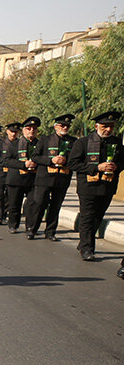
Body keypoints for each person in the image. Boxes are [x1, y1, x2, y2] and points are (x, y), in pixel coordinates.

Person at [67, 110, 123, 262]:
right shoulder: (83, 142)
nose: (108, 129)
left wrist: (116, 166)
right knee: (87, 217)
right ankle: (87, 249)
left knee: (98, 217)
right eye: (105, 126)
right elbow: (73, 164)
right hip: (88, 187)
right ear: (96, 126)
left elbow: (122, 161)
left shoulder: (117, 142)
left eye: (111, 126)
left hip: (107, 186)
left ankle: (83, 242)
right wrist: (97, 167)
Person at [26, 114, 75, 241]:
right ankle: (32, 229)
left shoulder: (73, 141)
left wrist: (66, 160)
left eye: (67, 126)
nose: (65, 127)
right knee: (39, 204)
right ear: (55, 126)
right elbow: (35, 157)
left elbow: (76, 159)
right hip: (44, 178)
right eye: (62, 125)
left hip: (62, 178)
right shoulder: (45, 139)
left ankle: (50, 232)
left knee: (56, 206)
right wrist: (51, 160)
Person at [3, 117, 40, 234]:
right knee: (14, 204)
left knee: (32, 205)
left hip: (33, 179)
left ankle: (30, 228)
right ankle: (13, 225)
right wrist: (23, 164)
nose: (31, 131)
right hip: (16, 179)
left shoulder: (40, 144)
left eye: (34, 129)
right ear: (23, 130)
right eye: (28, 128)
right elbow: (7, 160)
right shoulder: (15, 144)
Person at [0, 123, 18, 225]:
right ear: (7, 132)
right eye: (12, 132)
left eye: (15, 132)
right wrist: (6, 162)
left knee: (10, 195)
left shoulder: (19, 144)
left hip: (13, 172)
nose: (13, 134)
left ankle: (5, 214)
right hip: (1, 171)